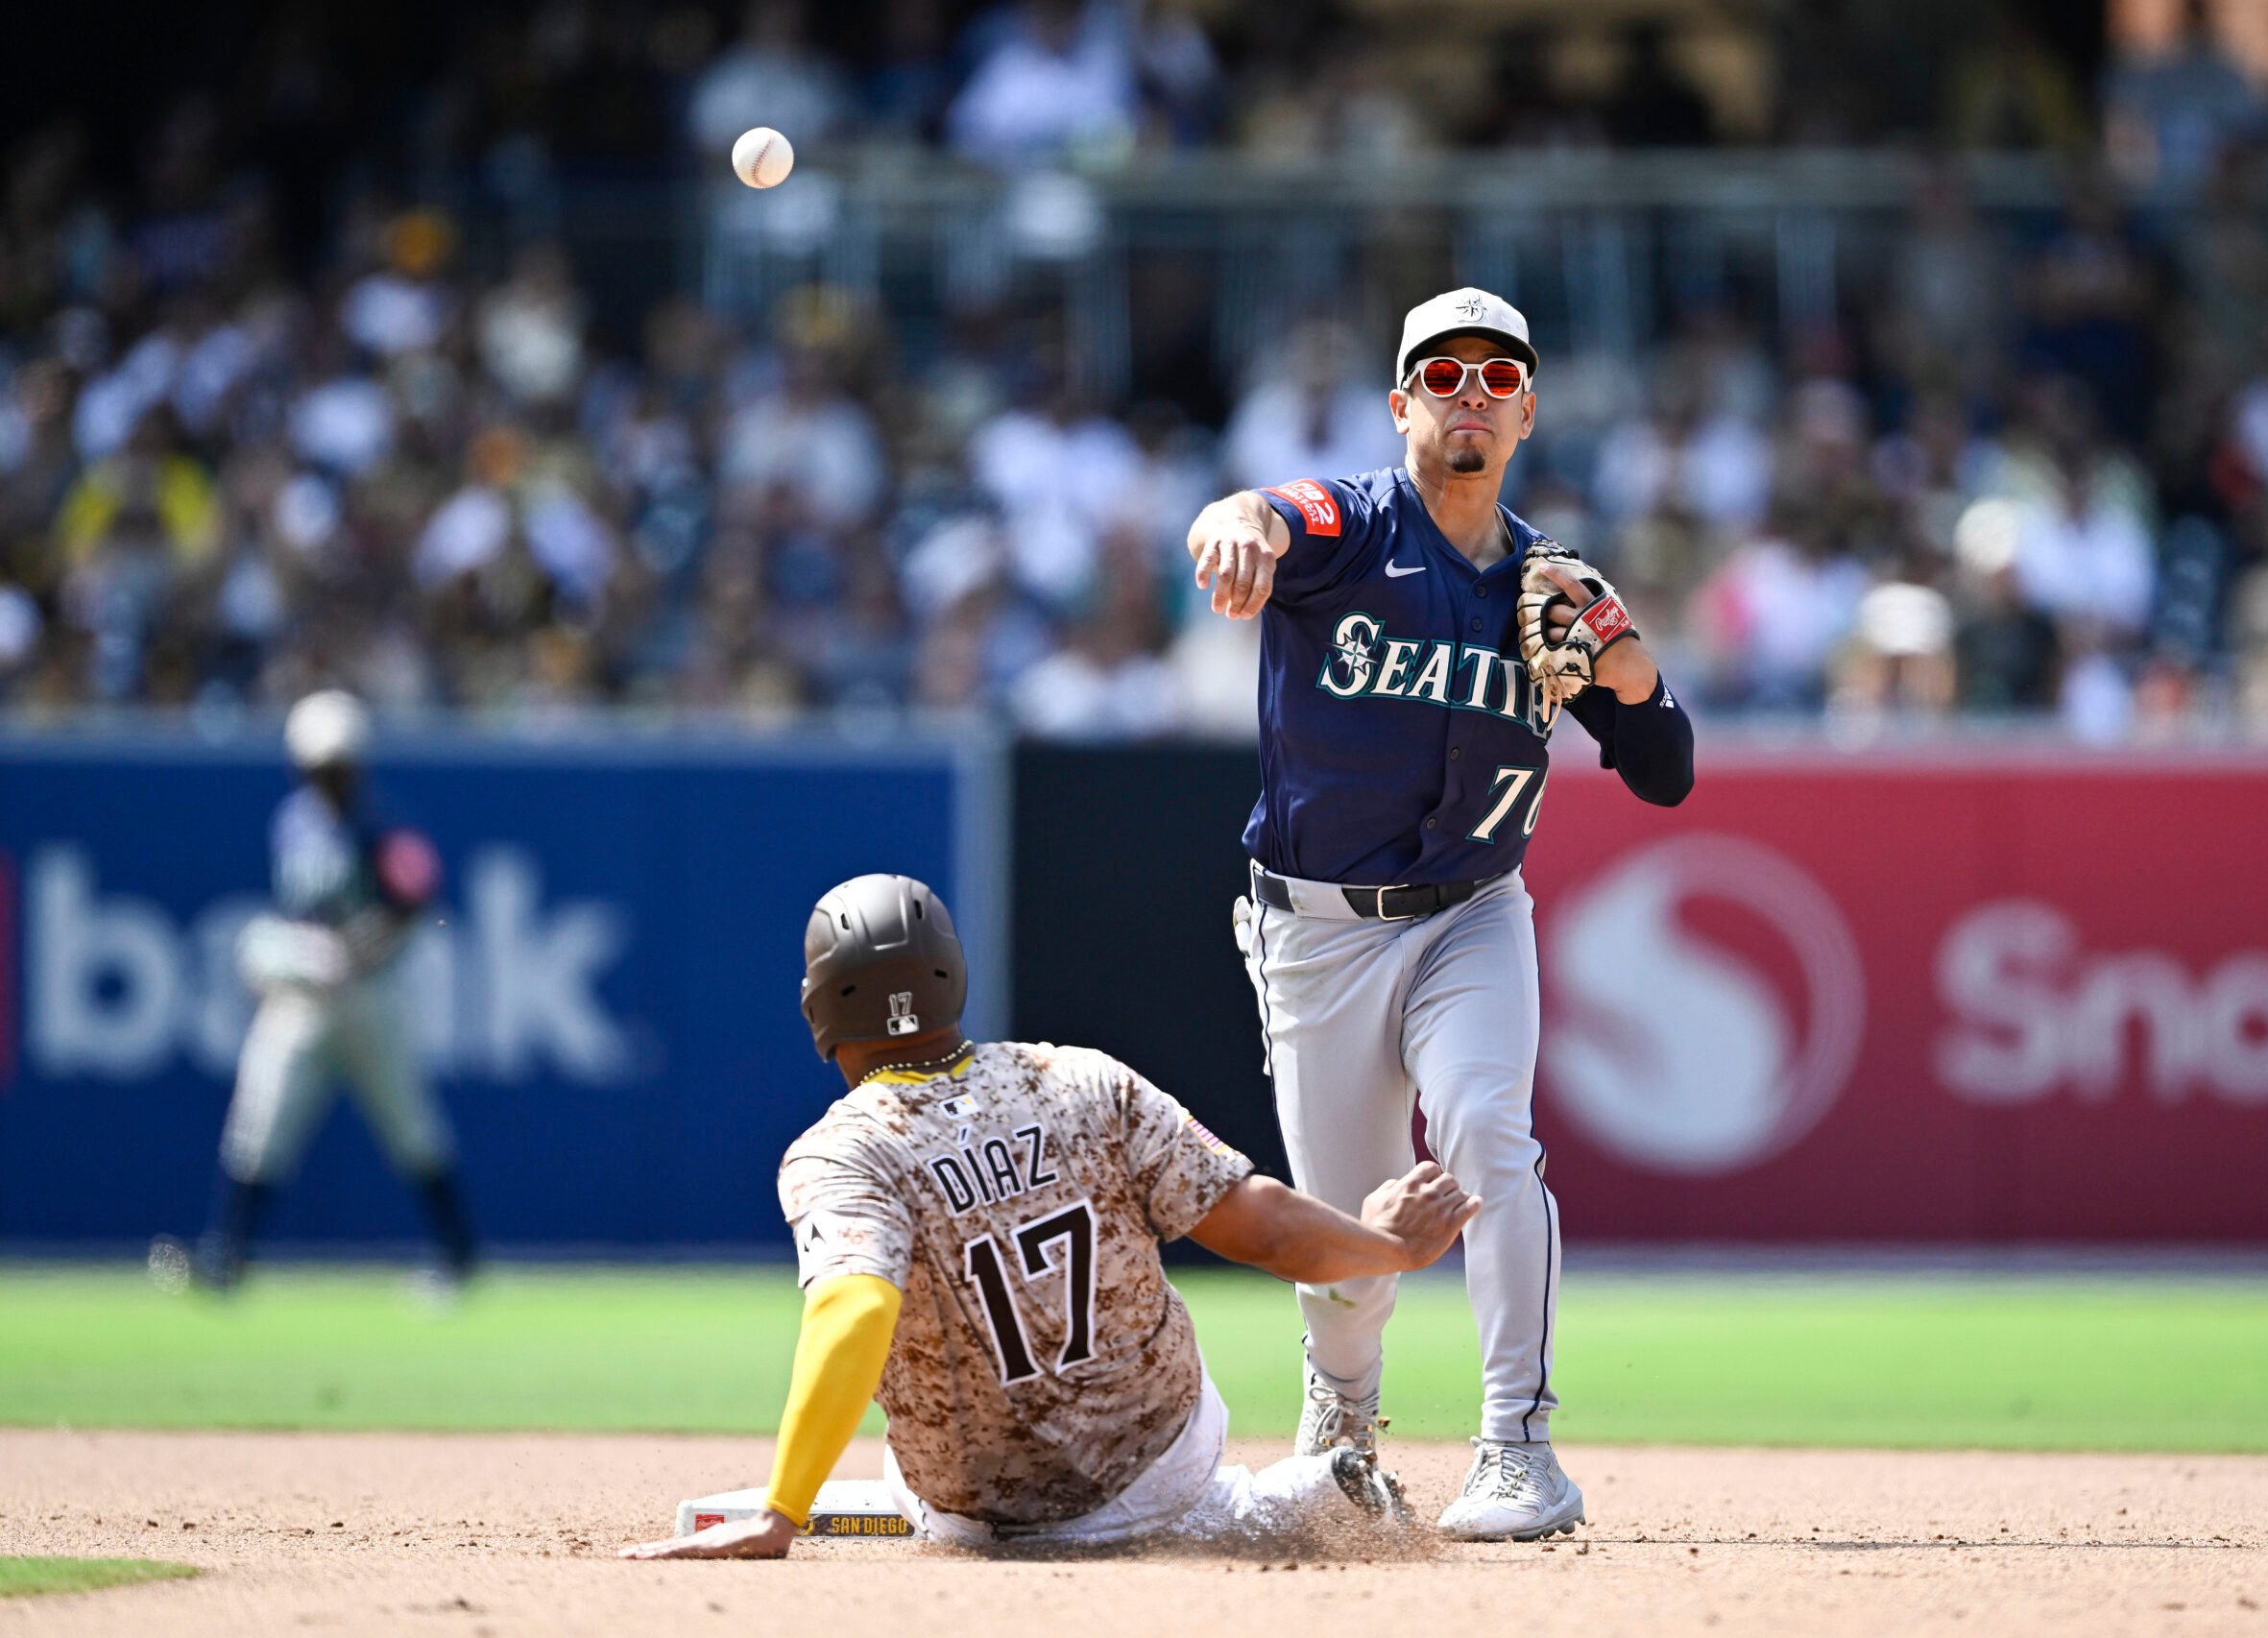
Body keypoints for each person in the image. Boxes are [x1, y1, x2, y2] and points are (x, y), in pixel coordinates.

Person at [1181, 289, 1695, 1541]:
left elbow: (1666, 768)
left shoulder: (1545, 587)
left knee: (1484, 1130)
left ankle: (1521, 1442)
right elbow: (1251, 513)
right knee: (1349, 1223)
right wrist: (1233, 523)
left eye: (1498, 375)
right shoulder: (1350, 528)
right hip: (1317, 926)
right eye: (1444, 373)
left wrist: (1635, 668)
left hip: (1473, 911)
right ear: (1403, 402)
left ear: (1526, 411)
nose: (1472, 391)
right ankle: (1343, 1428)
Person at [620, 874, 1479, 1559]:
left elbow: (855, 1307)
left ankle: (1241, 1509)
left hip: (978, 1513)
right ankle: (1273, 1503)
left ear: (820, 1012)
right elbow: (1259, 1226)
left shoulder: (842, 1150)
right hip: (1165, 1464)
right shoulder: (1079, 1079)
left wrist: (782, 1510)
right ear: (951, 977)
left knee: (907, 1461)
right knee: (1167, 1482)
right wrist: (1391, 1245)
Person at [187, 690, 474, 1291]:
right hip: (303, 1002)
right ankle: (225, 1258)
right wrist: (289, 959)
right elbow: (297, 916)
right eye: (322, 768)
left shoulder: (381, 827)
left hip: (369, 999)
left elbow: (418, 901)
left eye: (339, 768)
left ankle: (458, 1256)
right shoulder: (293, 824)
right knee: (260, 1123)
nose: (331, 781)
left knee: (412, 1129)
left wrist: (358, 951)